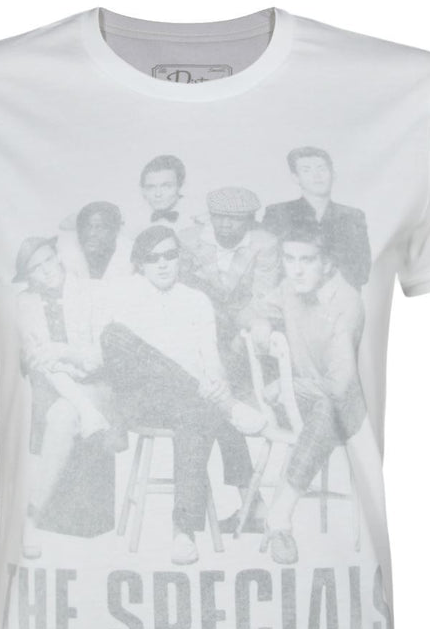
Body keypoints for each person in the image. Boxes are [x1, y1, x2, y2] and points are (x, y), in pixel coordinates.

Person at [98, 225, 269, 564]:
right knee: (114, 334)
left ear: (179, 258)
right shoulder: (126, 297)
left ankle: (183, 532)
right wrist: (214, 393)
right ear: (140, 264)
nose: (163, 264)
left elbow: (211, 359)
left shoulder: (196, 300)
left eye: (170, 255)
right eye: (153, 258)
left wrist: (218, 383)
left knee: (198, 411)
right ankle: (254, 500)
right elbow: (119, 357)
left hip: (193, 402)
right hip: (143, 399)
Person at [248, 221, 368, 564]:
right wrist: (261, 324)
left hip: (346, 408)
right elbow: (256, 309)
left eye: (307, 260)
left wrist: (288, 385)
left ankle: (279, 517)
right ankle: (274, 516)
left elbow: (339, 387)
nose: (296, 270)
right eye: (289, 259)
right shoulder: (289, 287)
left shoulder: (347, 303)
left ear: (328, 263)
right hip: (300, 400)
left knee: (328, 409)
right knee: (317, 408)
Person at [12, 235, 115, 558]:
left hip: (98, 386)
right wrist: (46, 357)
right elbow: (30, 356)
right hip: (51, 387)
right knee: (58, 404)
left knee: (62, 413)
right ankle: (85, 413)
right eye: (36, 268)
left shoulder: (93, 292)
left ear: (58, 257)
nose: (46, 271)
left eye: (48, 260)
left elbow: (101, 356)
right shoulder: (24, 303)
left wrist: (63, 352)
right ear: (28, 277)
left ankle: (30, 519)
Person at [178, 186, 281, 393]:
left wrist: (243, 332)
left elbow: (262, 297)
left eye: (235, 218)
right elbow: (181, 288)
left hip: (244, 313)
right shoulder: (188, 238)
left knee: (259, 332)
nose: (225, 224)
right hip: (202, 314)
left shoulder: (265, 243)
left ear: (250, 219)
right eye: (218, 216)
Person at [261, 146, 371, 290]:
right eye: (306, 170)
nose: (317, 176)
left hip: (341, 298)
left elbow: (362, 272)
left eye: (322, 169)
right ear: (295, 177)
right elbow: (267, 267)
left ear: (333, 174)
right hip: (290, 299)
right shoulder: (278, 213)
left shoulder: (352, 216)